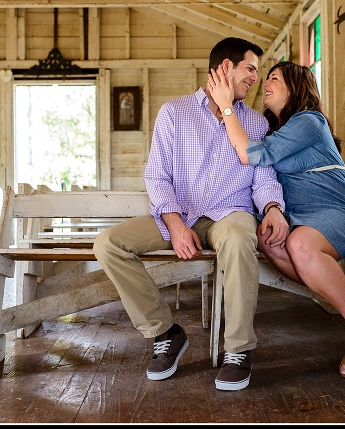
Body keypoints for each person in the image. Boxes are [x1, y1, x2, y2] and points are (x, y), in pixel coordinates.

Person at [94, 37, 289, 391]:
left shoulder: (257, 124)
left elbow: (264, 179)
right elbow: (157, 177)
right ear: (226, 68)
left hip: (230, 213)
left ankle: (239, 349)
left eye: (257, 73)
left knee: (239, 237)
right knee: (109, 244)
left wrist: (274, 208)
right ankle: (165, 332)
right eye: (250, 69)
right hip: (180, 214)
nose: (254, 79)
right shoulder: (174, 113)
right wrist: (175, 224)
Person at [209, 60, 345, 379]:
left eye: (274, 79)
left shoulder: (309, 121)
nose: (265, 84)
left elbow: (250, 154)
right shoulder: (276, 130)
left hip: (342, 211)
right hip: (305, 219)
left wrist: (226, 107)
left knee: (300, 244)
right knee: (269, 239)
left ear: (296, 87)